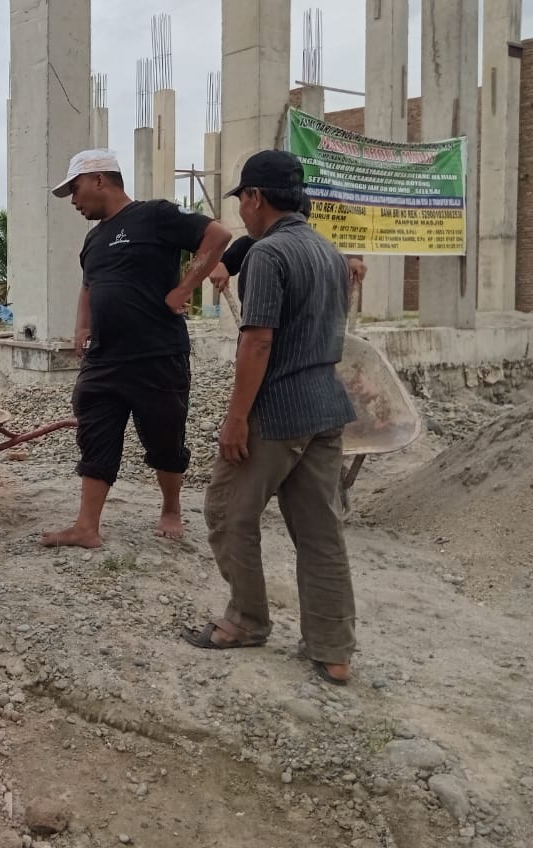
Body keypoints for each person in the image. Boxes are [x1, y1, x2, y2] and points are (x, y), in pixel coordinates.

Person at [183, 150, 358, 687]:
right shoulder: (330, 253)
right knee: (320, 531)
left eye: (243, 201)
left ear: (256, 197)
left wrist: (236, 420)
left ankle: (245, 621)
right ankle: (333, 650)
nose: (243, 213)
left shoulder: (268, 255)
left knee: (228, 511)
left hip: (278, 411)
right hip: (326, 407)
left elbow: (258, 341)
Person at [42, 149, 231, 547]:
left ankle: (171, 508)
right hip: (104, 359)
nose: (74, 201)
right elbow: (89, 285)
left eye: (75, 190)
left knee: (165, 438)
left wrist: (183, 288)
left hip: (156, 355)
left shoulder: (155, 216)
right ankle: (86, 527)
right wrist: (82, 325)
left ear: (99, 180)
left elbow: (218, 236)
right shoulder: (93, 239)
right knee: (95, 434)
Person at [209, 195, 367, 300]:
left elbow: (332, 258)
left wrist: (346, 263)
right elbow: (242, 248)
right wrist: (222, 265)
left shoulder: (319, 248)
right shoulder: (260, 245)